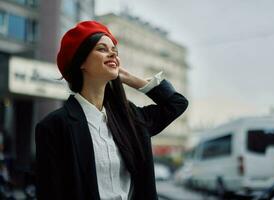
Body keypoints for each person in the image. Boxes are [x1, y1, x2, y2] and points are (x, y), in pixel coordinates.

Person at [35, 21, 188, 200]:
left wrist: (129, 78)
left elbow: (176, 104)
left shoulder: (130, 118)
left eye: (114, 51)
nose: (112, 54)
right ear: (81, 61)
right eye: (102, 49)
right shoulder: (54, 127)